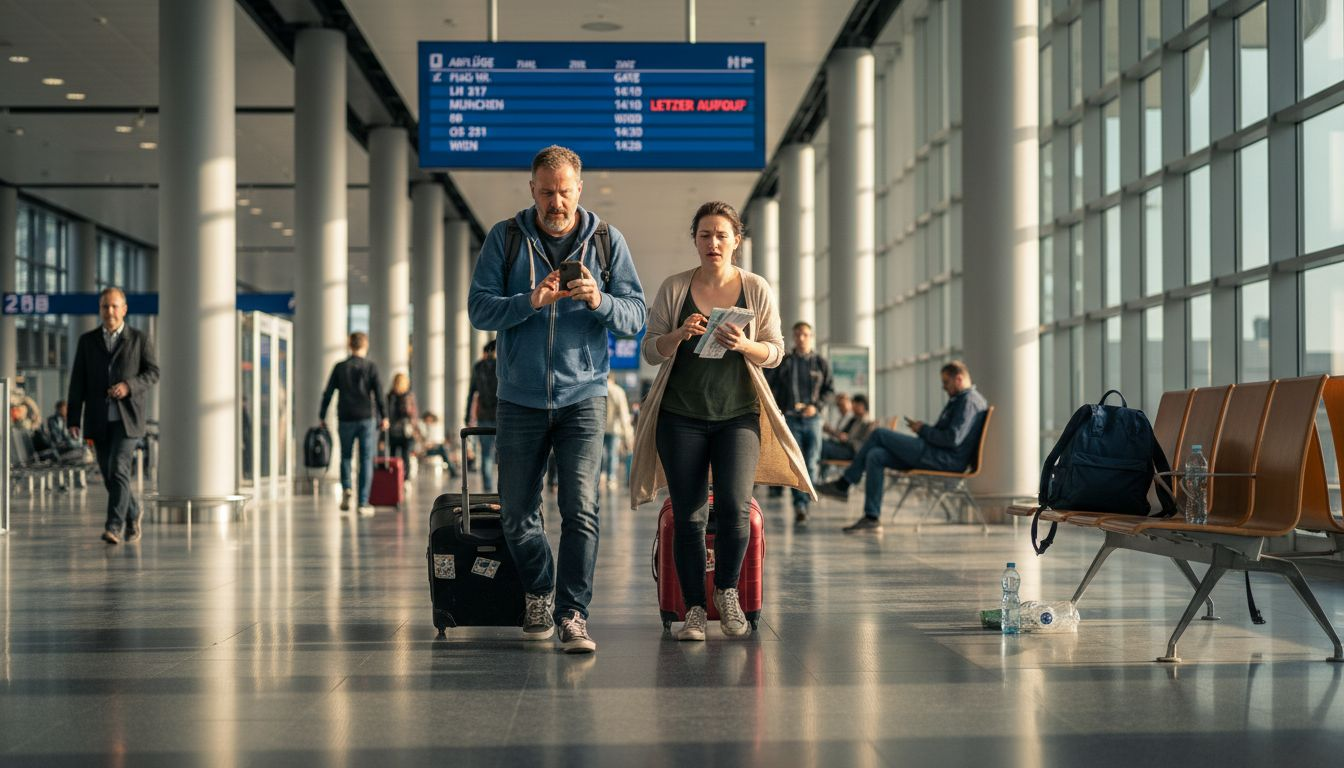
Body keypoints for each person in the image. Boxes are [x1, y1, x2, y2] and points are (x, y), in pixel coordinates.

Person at [467, 144, 646, 653]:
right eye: (546, 192)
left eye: (564, 191)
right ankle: (540, 590)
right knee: (517, 514)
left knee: (581, 509)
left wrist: (599, 299)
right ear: (532, 190)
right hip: (519, 396)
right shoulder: (504, 238)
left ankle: (572, 614)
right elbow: (479, 309)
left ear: (578, 189)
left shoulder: (608, 242)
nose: (556, 201)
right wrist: (530, 301)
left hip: (584, 395)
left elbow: (637, 314)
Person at [630, 201, 815, 642]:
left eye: (721, 235)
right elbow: (650, 350)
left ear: (737, 241)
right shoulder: (676, 288)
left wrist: (745, 345)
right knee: (690, 518)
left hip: (738, 417)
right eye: (704, 235)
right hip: (681, 417)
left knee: (734, 510)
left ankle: (728, 592)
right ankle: (694, 608)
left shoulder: (755, 288)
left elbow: (776, 352)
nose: (713, 243)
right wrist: (679, 335)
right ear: (695, 240)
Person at [816, 361, 988, 533]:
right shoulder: (961, 400)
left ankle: (844, 484)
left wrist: (923, 430)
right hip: (934, 453)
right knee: (875, 455)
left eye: (946, 382)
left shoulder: (968, 402)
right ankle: (871, 517)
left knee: (879, 434)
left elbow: (953, 438)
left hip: (942, 458)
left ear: (958, 379)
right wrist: (924, 430)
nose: (944, 387)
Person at [66, 287, 160, 544]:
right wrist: (73, 419)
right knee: (109, 474)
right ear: (100, 309)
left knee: (118, 467)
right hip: (98, 419)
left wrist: (129, 386)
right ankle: (133, 510)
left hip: (127, 418)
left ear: (124, 309)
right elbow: (78, 382)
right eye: (105, 306)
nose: (110, 311)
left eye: (114, 306)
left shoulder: (139, 339)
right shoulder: (87, 341)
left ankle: (114, 526)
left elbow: (153, 372)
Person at [767, 321, 834, 526]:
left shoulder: (820, 363)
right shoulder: (785, 362)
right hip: (791, 419)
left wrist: (816, 406)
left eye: (805, 335)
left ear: (811, 337)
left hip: (813, 420)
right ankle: (800, 505)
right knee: (796, 463)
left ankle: (804, 501)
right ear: (794, 337)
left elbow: (829, 391)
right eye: (797, 335)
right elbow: (772, 386)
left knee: (812, 462)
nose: (801, 338)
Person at [319, 332, 389, 517]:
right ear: (365, 345)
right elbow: (379, 393)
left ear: (349, 345)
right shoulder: (371, 367)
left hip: (345, 416)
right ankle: (363, 502)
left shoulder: (340, 367)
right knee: (366, 458)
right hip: (366, 417)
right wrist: (385, 416)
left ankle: (347, 487)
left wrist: (322, 415)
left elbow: (328, 393)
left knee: (346, 456)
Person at [464, 339, 499, 492]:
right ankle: (504, 488)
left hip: (483, 416)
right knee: (505, 453)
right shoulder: (501, 365)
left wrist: (467, 416)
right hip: (502, 415)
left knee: (486, 454)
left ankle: (488, 488)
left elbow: (472, 392)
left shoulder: (478, 367)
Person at [821, 393, 876, 462]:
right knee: (820, 442)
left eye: (854, 404)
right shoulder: (856, 419)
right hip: (842, 447)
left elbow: (862, 445)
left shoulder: (867, 423)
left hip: (850, 452)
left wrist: (847, 439)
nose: (852, 407)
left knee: (821, 445)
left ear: (861, 405)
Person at [602, 375, 633, 489]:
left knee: (599, 454)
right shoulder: (618, 391)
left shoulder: (598, 388)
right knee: (612, 454)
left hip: (599, 427)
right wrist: (628, 434)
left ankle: (601, 475)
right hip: (614, 428)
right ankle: (611, 478)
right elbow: (624, 413)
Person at [386, 372, 418, 479]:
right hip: (393, 431)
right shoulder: (390, 396)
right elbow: (388, 414)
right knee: (393, 456)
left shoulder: (408, 396)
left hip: (406, 432)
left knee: (405, 457)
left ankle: (405, 479)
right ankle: (394, 478)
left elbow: (412, 414)